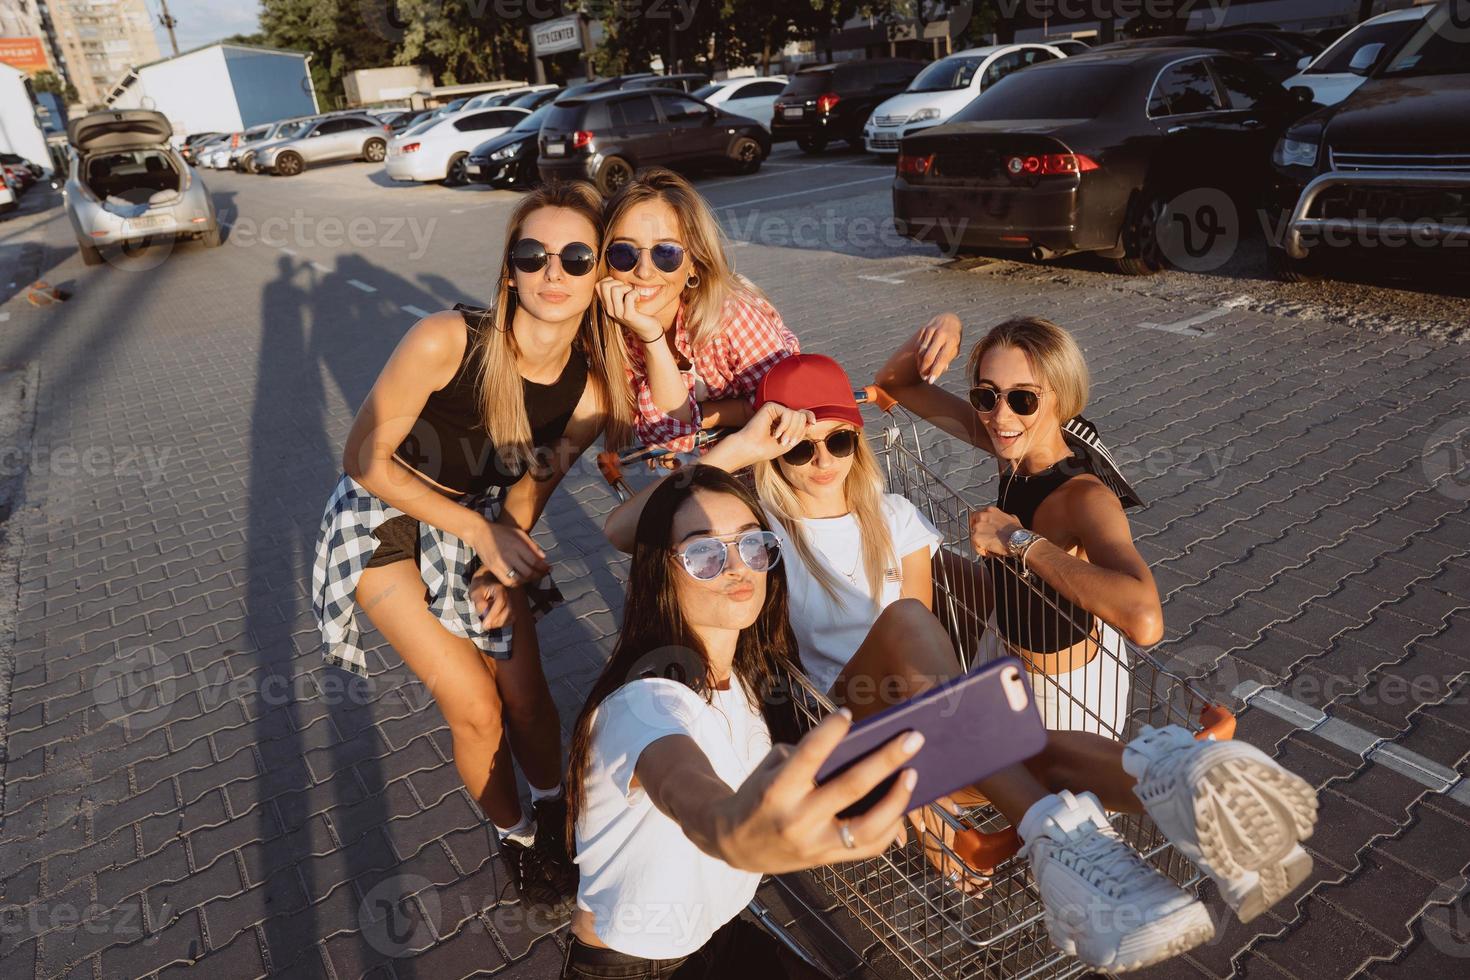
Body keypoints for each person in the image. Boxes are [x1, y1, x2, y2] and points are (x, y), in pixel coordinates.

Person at [602, 373, 1319, 972]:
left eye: (839, 439)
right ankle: (1126, 798)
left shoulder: (895, 515)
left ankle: (1183, 793)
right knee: (918, 638)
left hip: (915, 708)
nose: (821, 459)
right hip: (838, 714)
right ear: (776, 459)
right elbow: (629, 530)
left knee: (1030, 737)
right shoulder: (761, 535)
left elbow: (933, 643)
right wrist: (746, 445)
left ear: (858, 443)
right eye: (801, 448)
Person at [312, 181, 634, 917]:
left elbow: (533, 489)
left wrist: (498, 556)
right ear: (511, 269)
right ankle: (518, 837)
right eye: (534, 254)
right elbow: (364, 459)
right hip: (382, 517)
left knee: (528, 698)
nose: (554, 272)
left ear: (599, 276)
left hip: (480, 524)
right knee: (475, 707)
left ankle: (553, 812)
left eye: (576, 257)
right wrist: (475, 532)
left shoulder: (589, 393)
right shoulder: (445, 339)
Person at [563, 465, 924, 979]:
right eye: (704, 552)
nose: (738, 567)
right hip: (631, 966)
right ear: (661, 570)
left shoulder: (752, 677)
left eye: (752, 544)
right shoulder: (643, 703)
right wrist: (731, 829)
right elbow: (689, 789)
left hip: (720, 929)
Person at [878, 315, 1151, 737]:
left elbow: (1145, 620)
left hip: (1061, 699)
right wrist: (947, 327)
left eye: (1023, 398)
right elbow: (899, 384)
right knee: (923, 561)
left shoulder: (1084, 497)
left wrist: (1017, 540)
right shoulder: (1013, 443)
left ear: (1060, 397)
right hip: (1003, 645)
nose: (1000, 415)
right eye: (985, 395)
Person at [594, 167, 801, 454]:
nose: (643, 271)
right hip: (713, 469)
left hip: (782, 463)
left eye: (666, 253)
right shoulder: (618, 332)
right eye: (623, 253)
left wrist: (700, 415)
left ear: (694, 263)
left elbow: (790, 404)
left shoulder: (729, 315)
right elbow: (666, 433)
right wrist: (651, 337)